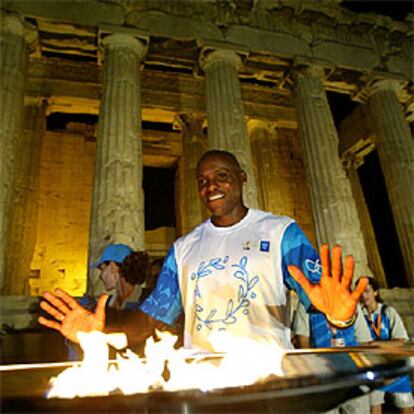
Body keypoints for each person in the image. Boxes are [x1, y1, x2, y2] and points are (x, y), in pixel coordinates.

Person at [38, 150, 368, 354]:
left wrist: (342, 318)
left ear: (242, 178)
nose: (210, 187)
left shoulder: (281, 232)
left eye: (221, 177)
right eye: (202, 181)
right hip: (203, 385)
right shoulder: (184, 248)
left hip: (268, 381)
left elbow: (324, 302)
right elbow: (151, 317)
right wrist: (103, 332)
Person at [359, 277, 414, 414]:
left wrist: (374, 344)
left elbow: (401, 340)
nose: (363, 295)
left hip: (392, 364)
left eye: (367, 291)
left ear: (375, 292)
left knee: (404, 403)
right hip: (373, 367)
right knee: (374, 403)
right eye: (360, 292)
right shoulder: (359, 315)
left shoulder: (388, 312)